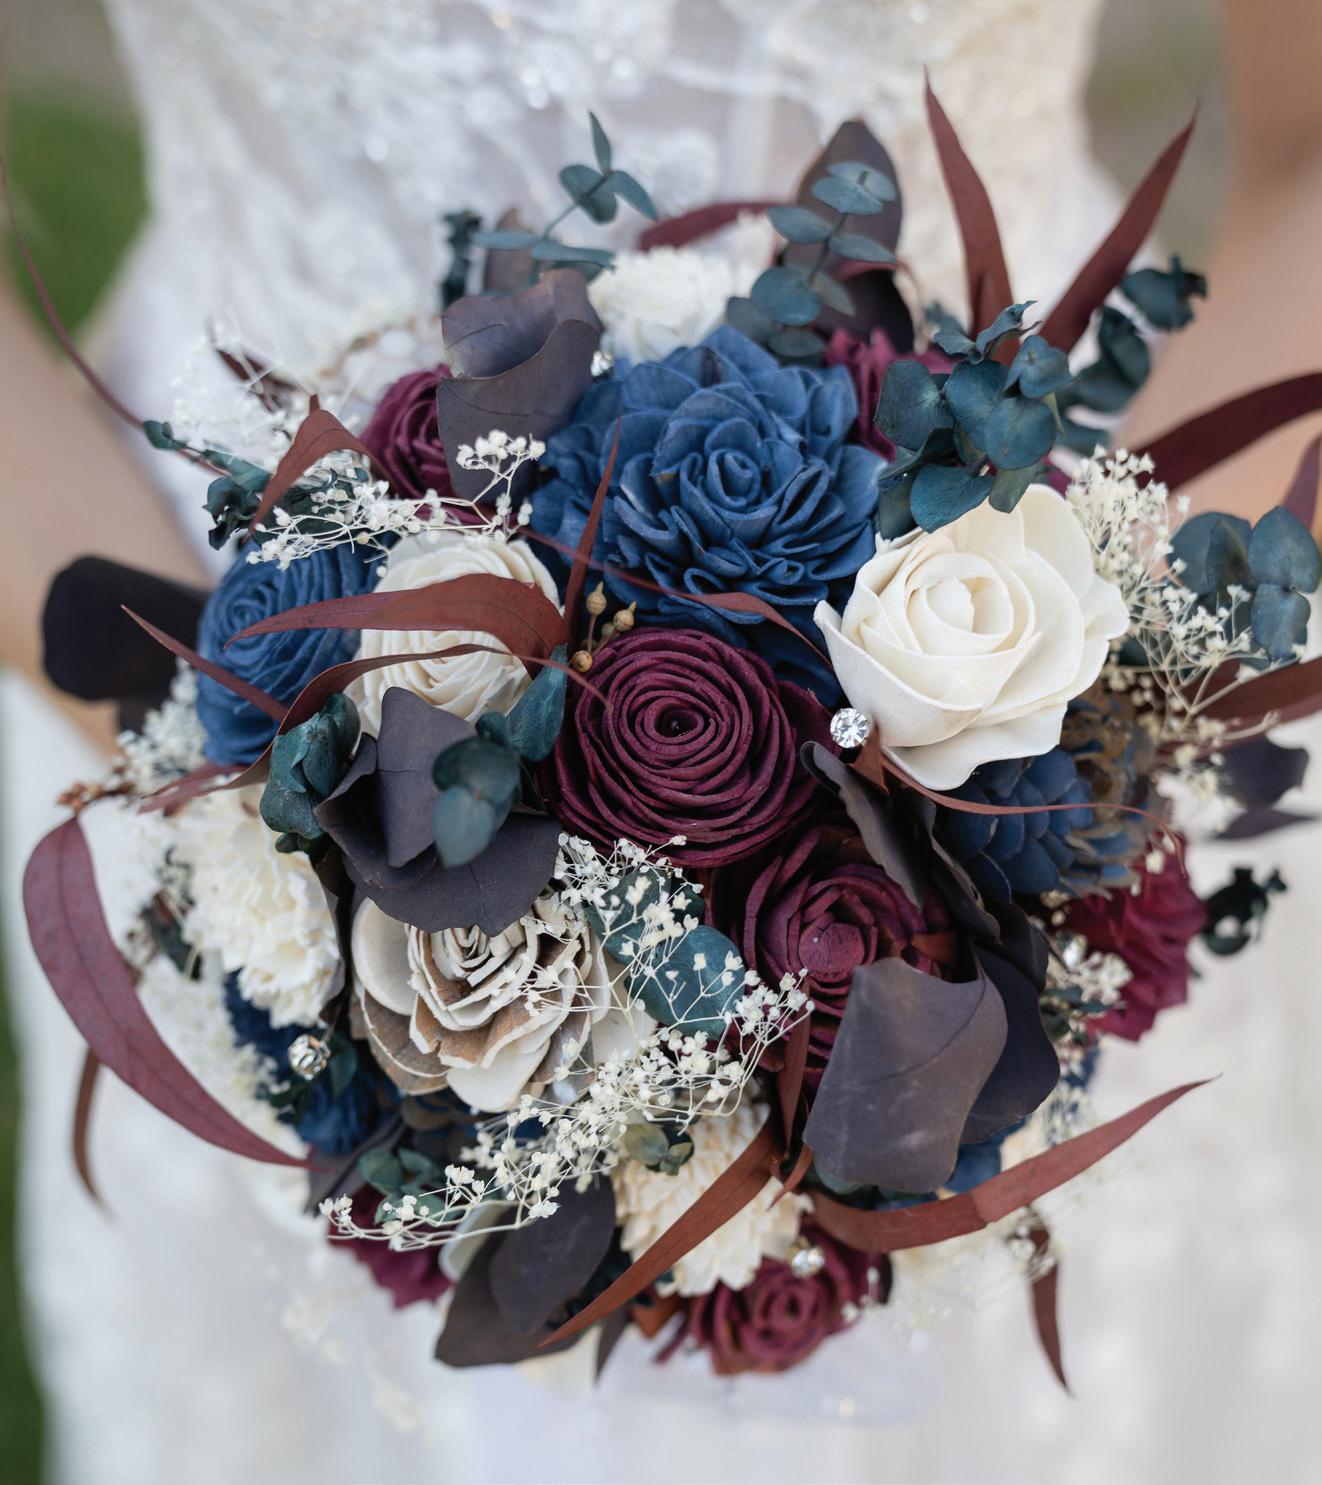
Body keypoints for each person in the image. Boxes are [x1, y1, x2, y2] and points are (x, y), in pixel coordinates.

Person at [1, 2, 1319, 1480]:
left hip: (1033, 650)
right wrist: (243, 781)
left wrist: (1089, 710)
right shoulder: (239, 784)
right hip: (220, 628)